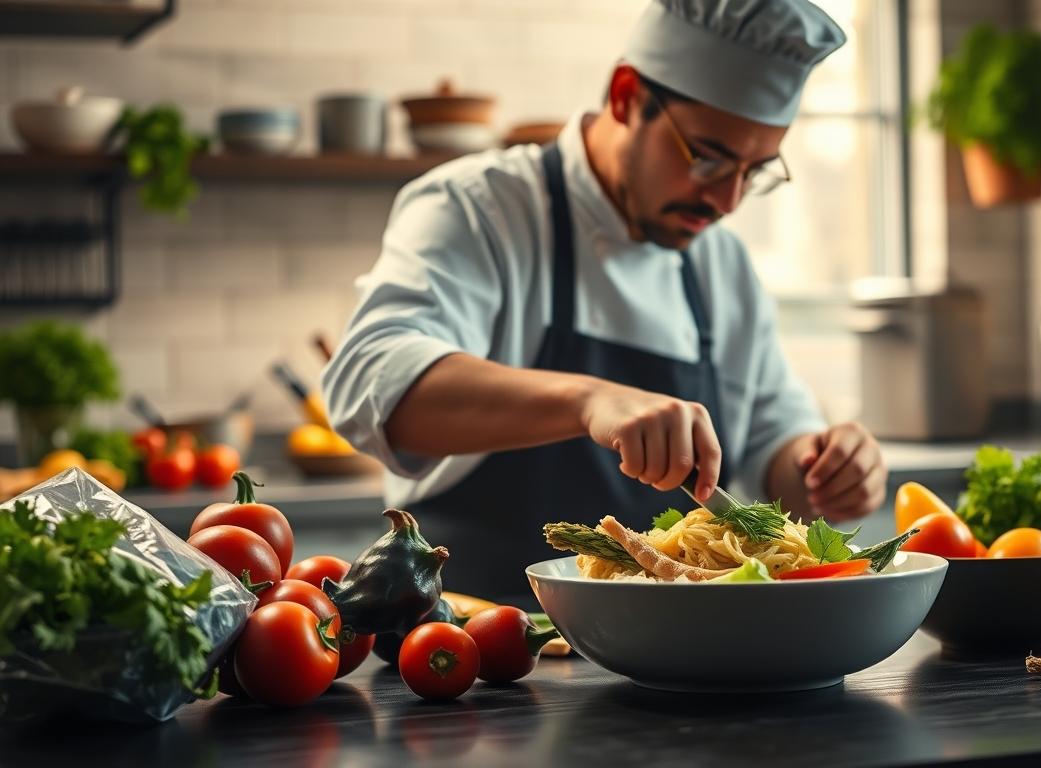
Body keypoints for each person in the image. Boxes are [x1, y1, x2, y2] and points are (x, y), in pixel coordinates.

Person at [322, 0, 887, 604]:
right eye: (709, 157)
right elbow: (369, 381)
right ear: (625, 95)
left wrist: (824, 469)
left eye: (755, 171)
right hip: (478, 659)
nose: (727, 200)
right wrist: (591, 399)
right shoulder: (478, 208)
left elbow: (776, 446)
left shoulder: (721, 265)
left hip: (673, 662)